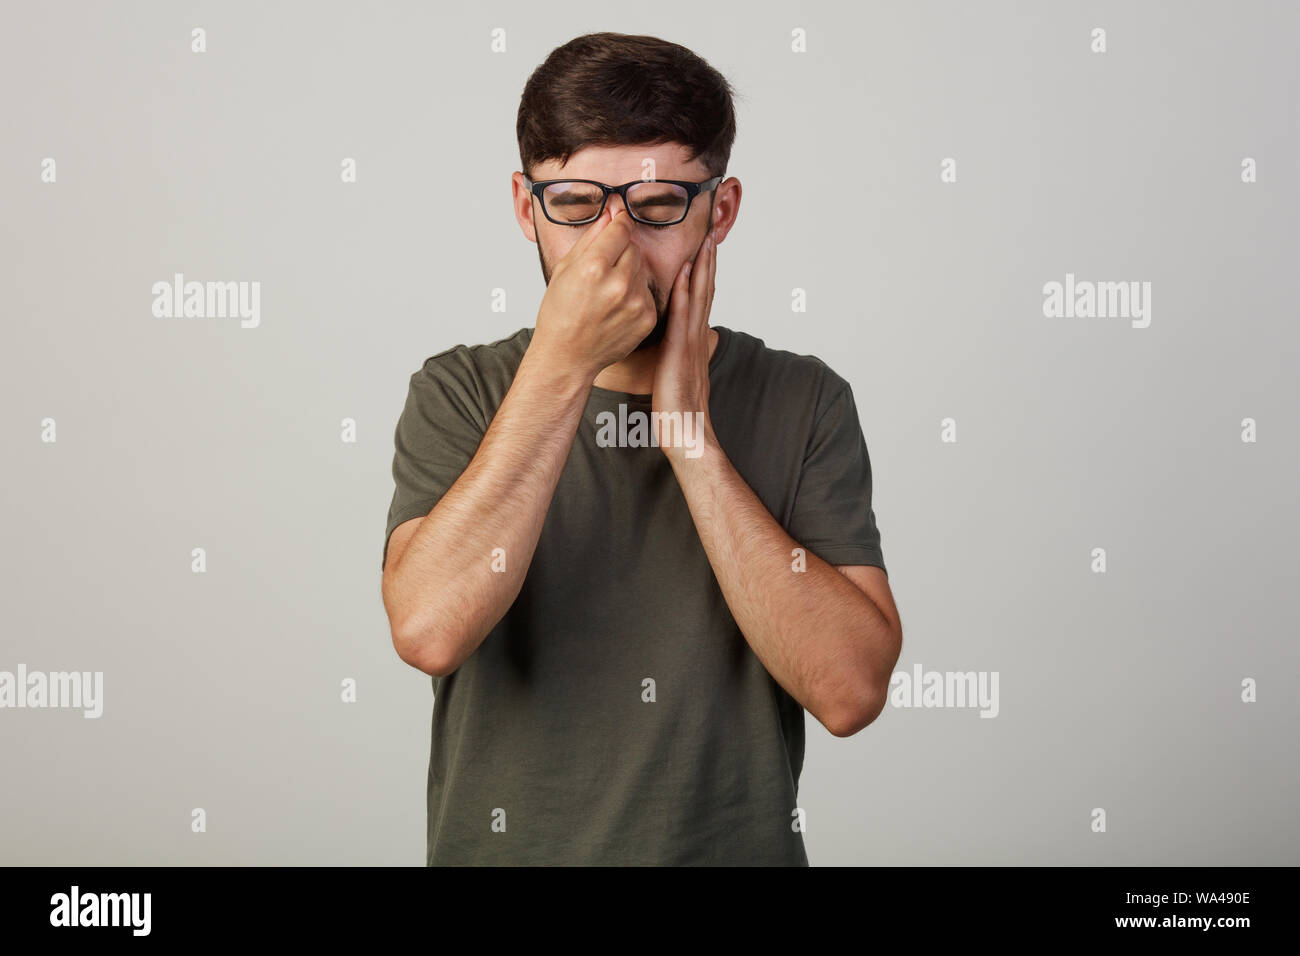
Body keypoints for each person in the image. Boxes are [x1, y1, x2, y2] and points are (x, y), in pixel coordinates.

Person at [381, 32, 902, 866]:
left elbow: (849, 692)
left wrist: (691, 438)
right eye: (577, 206)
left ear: (719, 211)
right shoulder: (461, 392)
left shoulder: (804, 400)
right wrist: (561, 364)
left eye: (657, 206)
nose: (611, 247)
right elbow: (430, 632)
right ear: (526, 208)